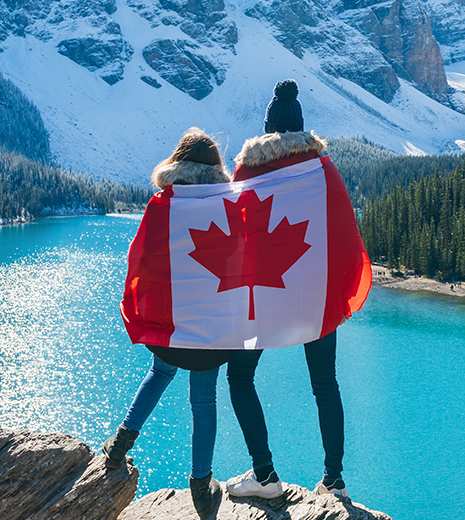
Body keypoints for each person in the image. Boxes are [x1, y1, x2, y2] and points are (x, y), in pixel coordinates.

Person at [224, 80, 352, 500]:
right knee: (325, 385)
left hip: (264, 291)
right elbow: (341, 227)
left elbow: (232, 228)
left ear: (267, 127)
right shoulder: (321, 167)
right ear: (299, 127)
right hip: (313, 292)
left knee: (240, 376)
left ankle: (265, 477)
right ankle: (334, 481)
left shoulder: (247, 169)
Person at [103, 128, 234, 520]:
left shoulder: (163, 204)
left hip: (172, 324)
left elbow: (140, 257)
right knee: (204, 399)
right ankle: (200, 484)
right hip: (211, 325)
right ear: (215, 169)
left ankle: (119, 443)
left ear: (177, 164)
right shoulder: (227, 205)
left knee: (159, 373)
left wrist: (143, 306)